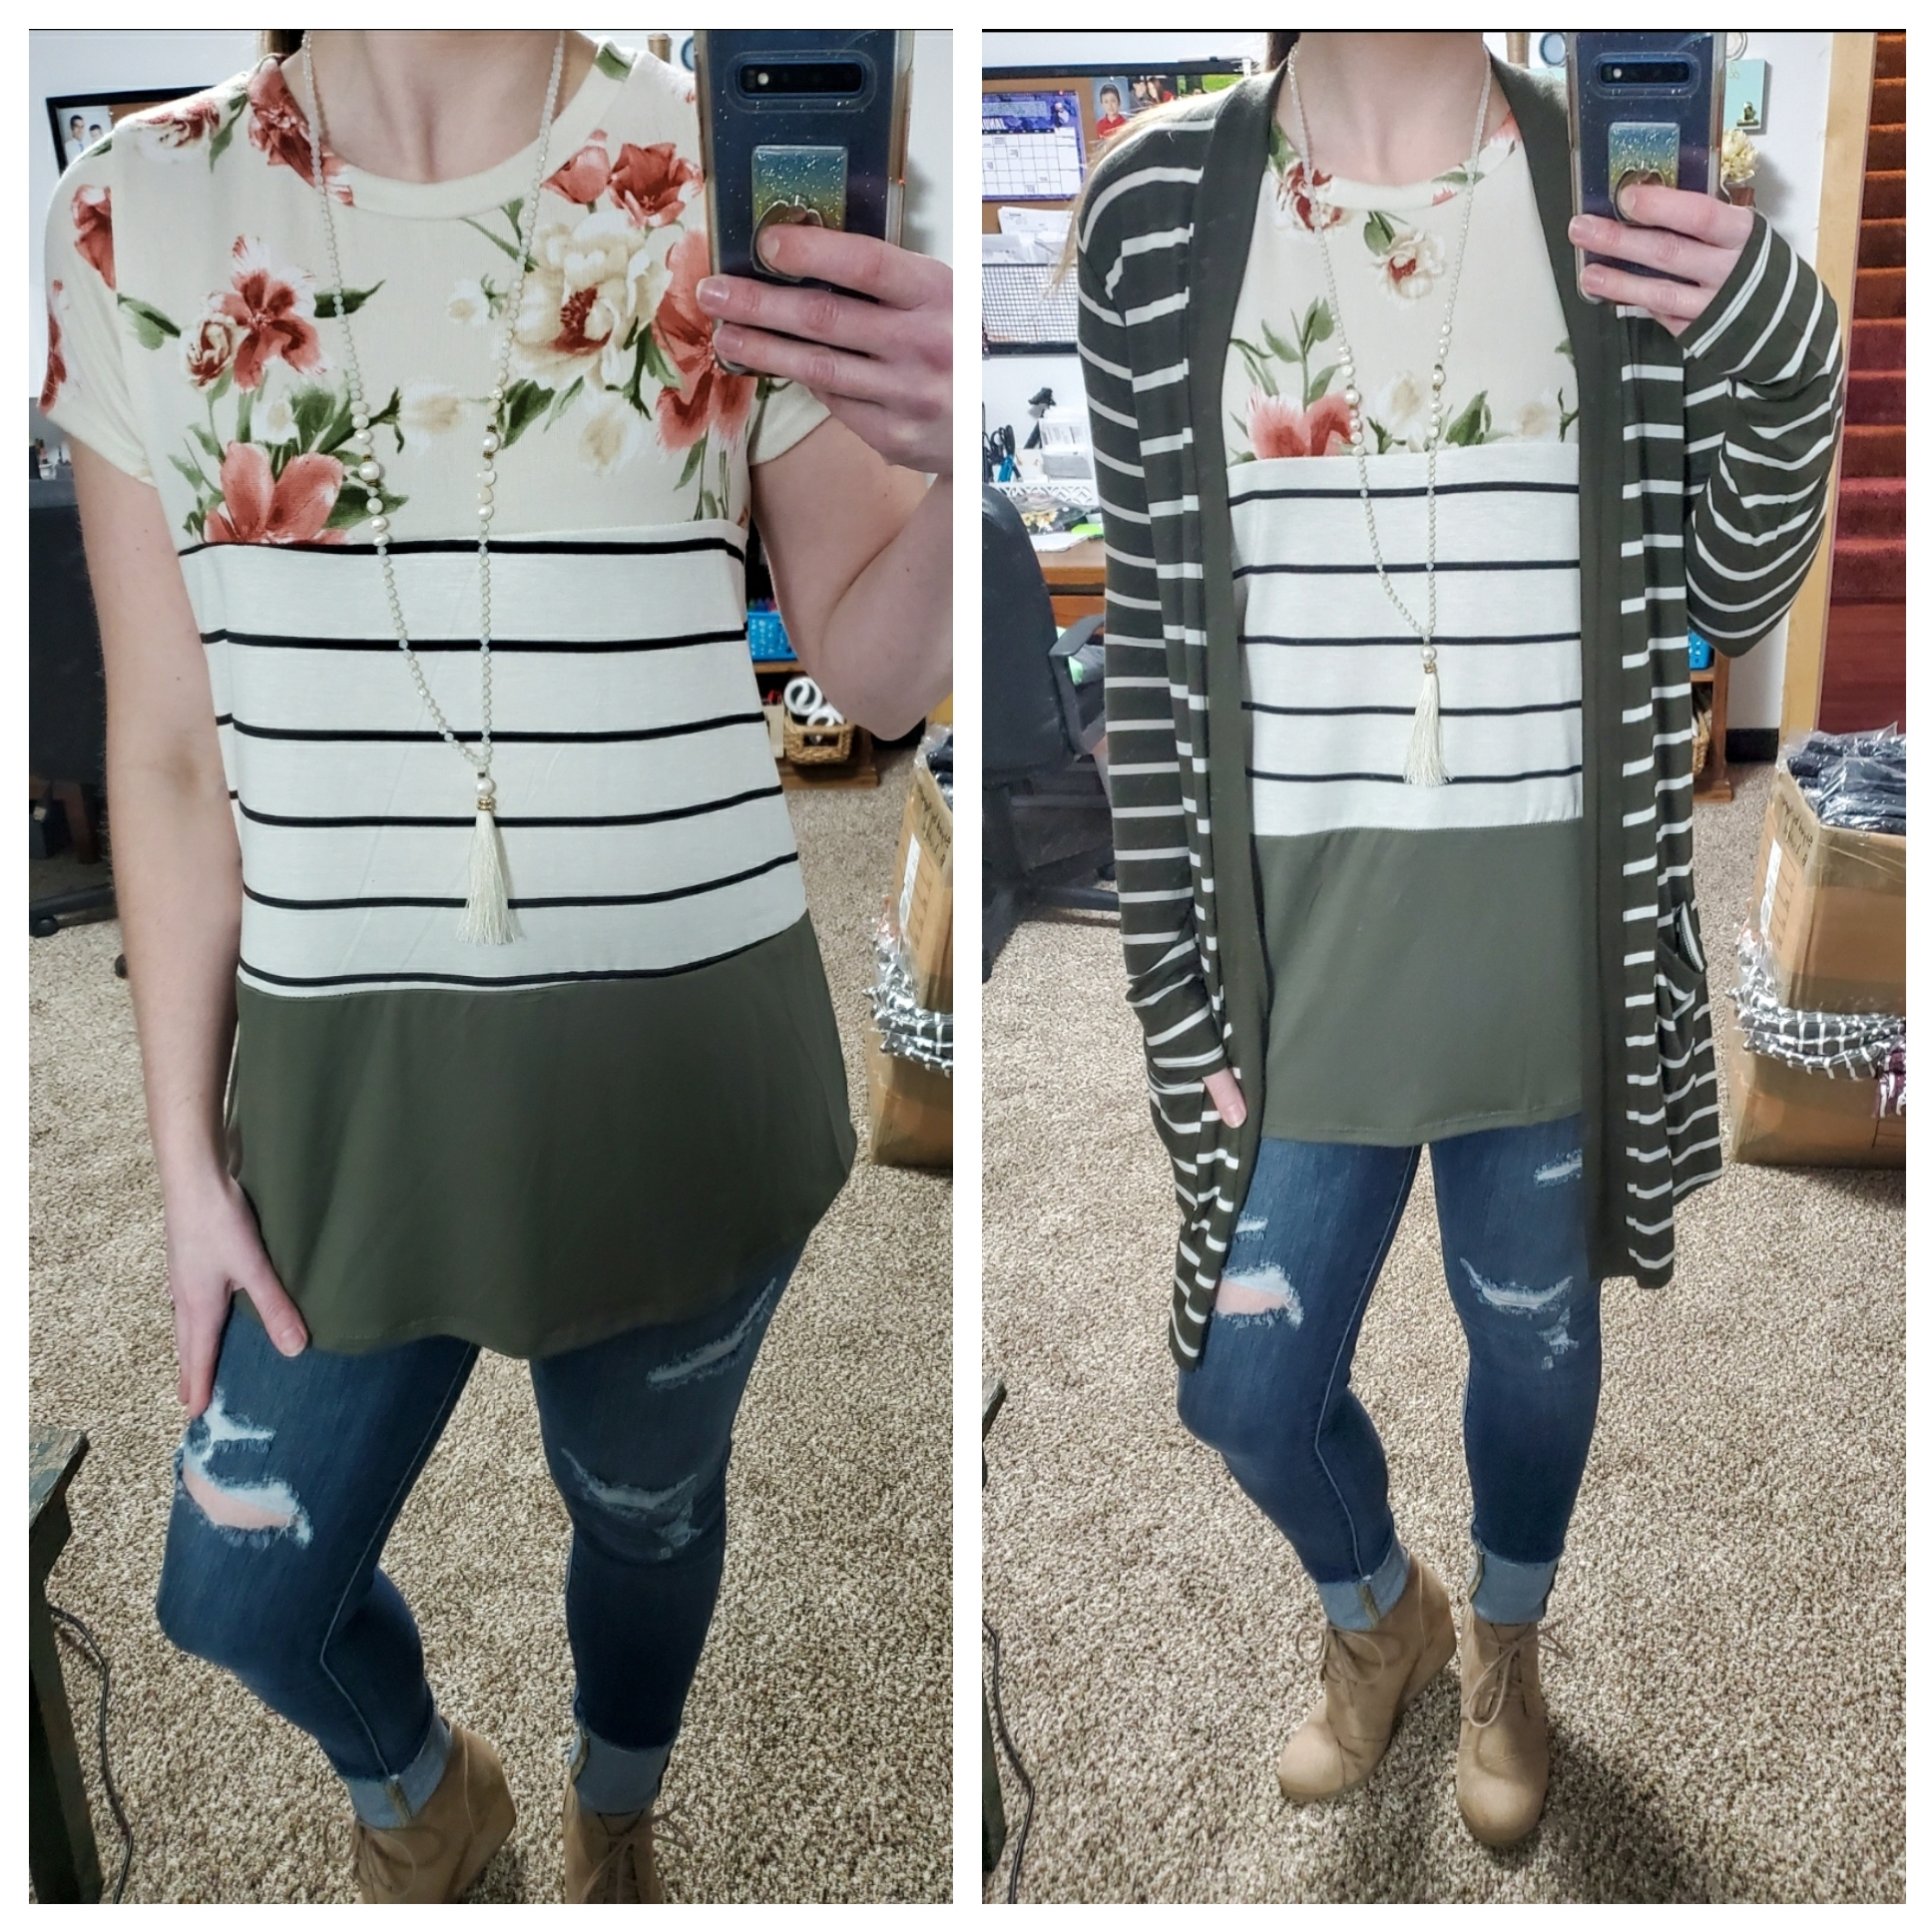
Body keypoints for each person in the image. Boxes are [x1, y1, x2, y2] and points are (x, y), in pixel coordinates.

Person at [42, 28, 949, 1904]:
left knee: (642, 1515)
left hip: (686, 1075)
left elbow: (867, 672)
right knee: (237, 1588)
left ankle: (620, 1808)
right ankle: (427, 1793)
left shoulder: (713, 171)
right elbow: (168, 753)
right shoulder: (136, 206)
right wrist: (185, 1166)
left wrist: (961, 473)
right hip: (341, 1096)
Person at [1077, 31, 1839, 1849]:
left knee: (1538, 1357)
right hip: (1294, 953)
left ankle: (1503, 1647)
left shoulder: (1625, 189)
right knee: (1244, 1388)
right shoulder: (1154, 210)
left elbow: (1726, 593)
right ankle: (1381, 1615)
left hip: (1548, 954)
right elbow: (1155, 659)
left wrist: (1780, 342)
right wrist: (1170, 982)